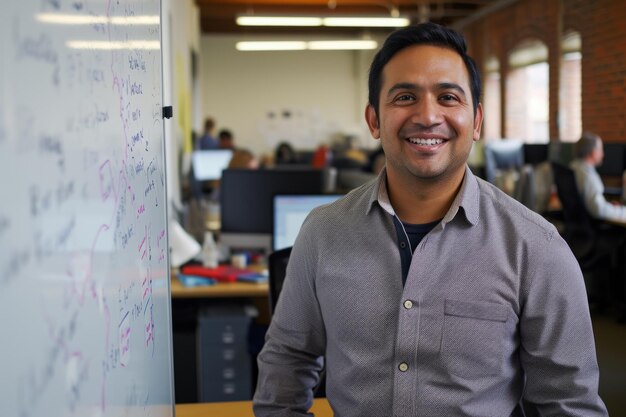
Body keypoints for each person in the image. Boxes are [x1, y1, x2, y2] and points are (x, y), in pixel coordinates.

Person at [253, 23, 607, 416]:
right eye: (405, 96)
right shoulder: (323, 233)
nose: (427, 115)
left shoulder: (536, 248)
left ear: (475, 122)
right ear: (374, 120)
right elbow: (287, 361)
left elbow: (569, 404)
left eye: (448, 97)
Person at [571, 131, 626, 222]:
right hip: (594, 225)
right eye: (600, 150)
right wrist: (622, 211)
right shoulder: (588, 176)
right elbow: (598, 210)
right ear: (593, 152)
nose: (603, 154)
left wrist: (609, 206)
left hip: (581, 222)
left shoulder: (573, 168)